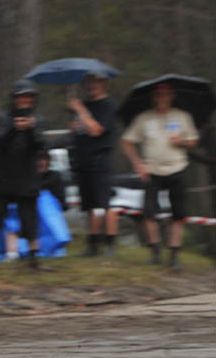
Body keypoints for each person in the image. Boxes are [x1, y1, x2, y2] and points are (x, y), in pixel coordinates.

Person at [121, 81, 199, 270]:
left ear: (171, 96)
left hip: (177, 168)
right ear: (153, 97)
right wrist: (138, 164)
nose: (161, 98)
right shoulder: (144, 119)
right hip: (152, 171)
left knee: (178, 214)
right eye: (158, 94)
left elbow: (194, 141)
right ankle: (155, 251)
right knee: (148, 211)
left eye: (165, 94)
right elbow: (126, 141)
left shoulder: (182, 117)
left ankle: (174, 255)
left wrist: (182, 142)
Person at [0, 80, 46, 269]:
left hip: (27, 176)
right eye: (22, 97)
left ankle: (34, 257)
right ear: (15, 99)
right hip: (4, 175)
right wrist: (13, 128)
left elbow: (40, 145)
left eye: (29, 97)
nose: (25, 101)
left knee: (29, 218)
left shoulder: (38, 120)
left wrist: (31, 128)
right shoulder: (3, 118)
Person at [68, 71, 118, 255]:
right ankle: (93, 243)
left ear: (103, 84)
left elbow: (97, 129)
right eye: (89, 82)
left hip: (100, 160)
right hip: (83, 159)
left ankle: (110, 243)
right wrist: (75, 125)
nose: (92, 86)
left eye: (96, 82)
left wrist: (80, 110)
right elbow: (83, 128)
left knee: (104, 203)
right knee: (89, 204)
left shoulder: (108, 106)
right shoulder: (86, 105)